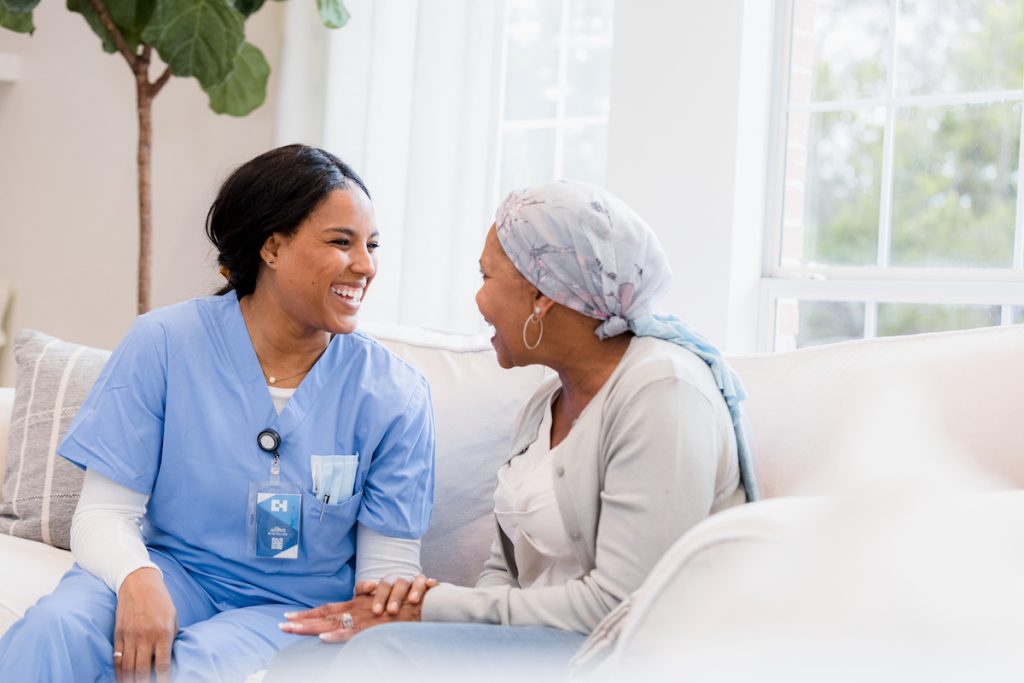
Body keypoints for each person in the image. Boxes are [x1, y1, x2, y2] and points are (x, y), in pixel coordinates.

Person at [269, 180, 759, 681]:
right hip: (528, 648)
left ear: (542, 294)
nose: (478, 300)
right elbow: (504, 574)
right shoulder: (547, 403)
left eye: (487, 276)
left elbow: (621, 606)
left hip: (608, 658)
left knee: (383, 653)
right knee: (310, 653)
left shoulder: (662, 392)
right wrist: (433, 621)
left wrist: (433, 610)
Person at [0, 145, 436, 682]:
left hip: (293, 609)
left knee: (186, 670)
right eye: (341, 242)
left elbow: (386, 569)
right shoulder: (164, 343)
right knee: (56, 631)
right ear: (272, 246)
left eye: (370, 245)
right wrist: (138, 578)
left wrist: (373, 621)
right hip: (172, 573)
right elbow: (104, 513)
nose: (365, 265)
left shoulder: (396, 393)